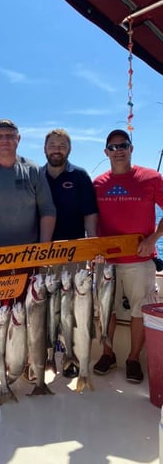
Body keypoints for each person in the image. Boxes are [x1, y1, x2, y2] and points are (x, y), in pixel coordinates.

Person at [92, 129, 163, 383]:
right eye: (112, 147)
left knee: (139, 310)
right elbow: (91, 219)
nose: (118, 150)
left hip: (140, 259)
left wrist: (153, 239)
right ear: (106, 152)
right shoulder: (97, 183)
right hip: (106, 262)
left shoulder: (151, 177)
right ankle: (107, 353)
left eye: (123, 145)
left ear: (131, 148)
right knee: (105, 310)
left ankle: (133, 358)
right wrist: (92, 248)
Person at [0, 118, 56, 290]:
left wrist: (44, 249)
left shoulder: (33, 170)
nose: (5, 140)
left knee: (29, 312)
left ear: (18, 139)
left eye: (10, 136)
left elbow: (47, 210)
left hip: (29, 257)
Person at [43, 128, 98, 378]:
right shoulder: (35, 175)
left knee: (72, 311)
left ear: (69, 149)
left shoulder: (80, 176)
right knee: (44, 308)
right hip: (42, 254)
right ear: (45, 148)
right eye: (52, 145)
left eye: (62, 145)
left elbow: (90, 215)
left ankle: (70, 357)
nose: (57, 149)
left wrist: (91, 249)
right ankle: (45, 358)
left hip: (74, 255)